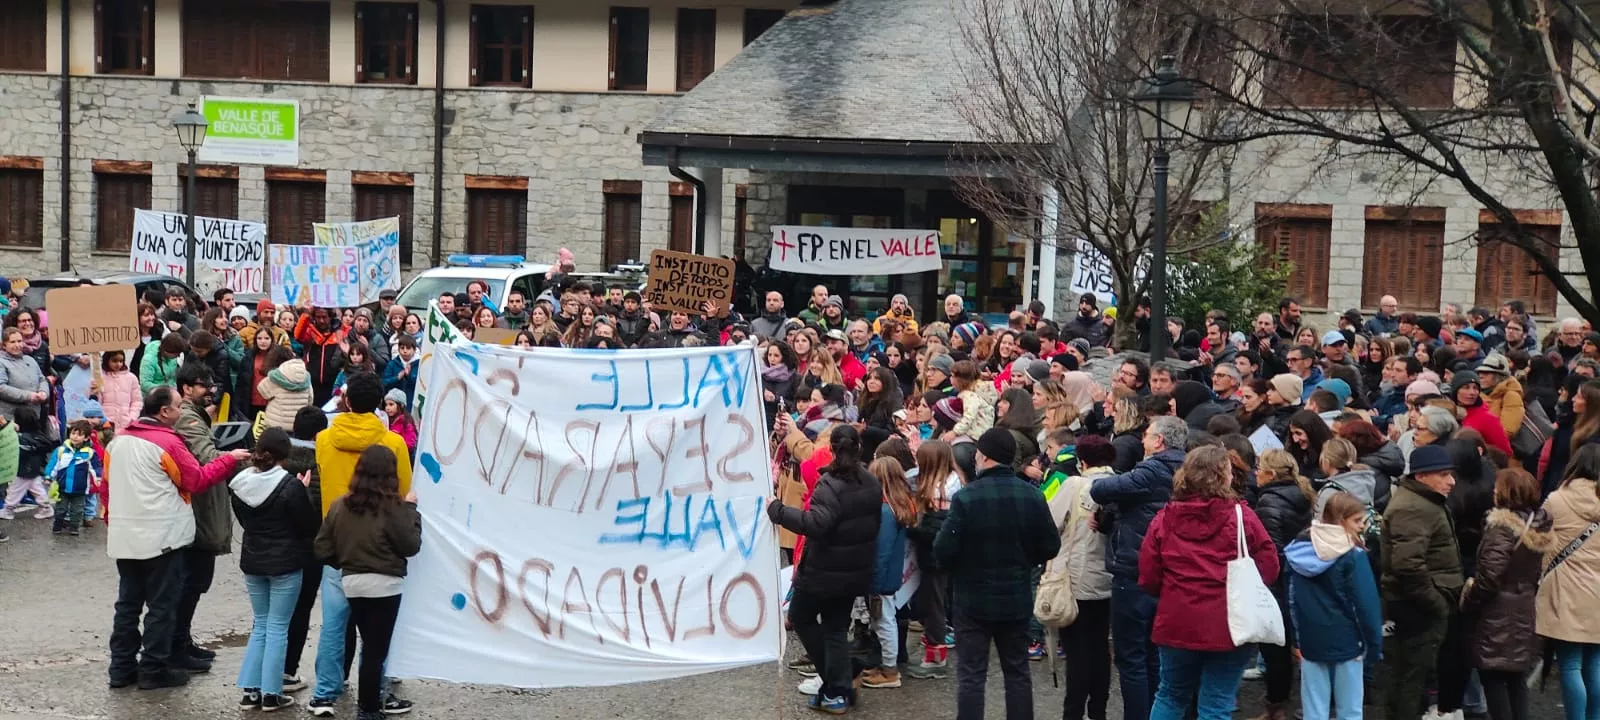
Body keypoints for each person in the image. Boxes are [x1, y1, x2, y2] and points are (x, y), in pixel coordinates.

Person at [106, 386, 246, 689]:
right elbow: (196, 479)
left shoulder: (118, 441)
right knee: (161, 606)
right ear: (164, 411)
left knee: (128, 605)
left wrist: (113, 521)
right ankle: (153, 669)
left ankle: (121, 668)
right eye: (178, 406)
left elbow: (106, 488)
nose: (181, 411)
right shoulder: (168, 442)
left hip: (124, 536)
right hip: (162, 537)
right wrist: (230, 459)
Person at [1138, 445, 1279, 720]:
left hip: (1177, 618)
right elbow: (1269, 566)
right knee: (1217, 702)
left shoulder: (1165, 518)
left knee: (1170, 694)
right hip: (1230, 622)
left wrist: (1170, 592)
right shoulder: (1242, 517)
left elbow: (1148, 574)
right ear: (1223, 476)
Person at [934, 427, 1060, 720]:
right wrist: (1025, 561)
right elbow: (1050, 545)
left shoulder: (967, 498)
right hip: (1016, 596)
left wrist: (960, 567)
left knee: (971, 674)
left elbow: (943, 549)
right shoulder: (1032, 495)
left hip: (972, 598)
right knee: (1017, 671)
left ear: (985, 456)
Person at [308, 372, 413, 717]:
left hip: (338, 538)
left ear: (346, 400)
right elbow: (403, 494)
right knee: (377, 634)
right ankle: (376, 695)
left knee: (333, 624)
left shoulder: (325, 439)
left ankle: (324, 693)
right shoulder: (393, 442)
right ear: (380, 403)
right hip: (381, 544)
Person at [767, 425, 882, 714]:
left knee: (800, 617)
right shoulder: (871, 482)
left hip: (822, 572)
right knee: (835, 628)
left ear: (831, 449)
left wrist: (778, 511)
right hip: (854, 570)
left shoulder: (829, 484)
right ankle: (840, 686)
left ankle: (837, 681)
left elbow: (816, 524)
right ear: (859, 448)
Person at [1091, 415, 1187, 720]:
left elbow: (1101, 489)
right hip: (1169, 570)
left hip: (1135, 568)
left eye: (1147, 435)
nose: (1142, 440)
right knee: (1154, 654)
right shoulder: (1189, 469)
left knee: (1131, 656)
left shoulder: (1151, 469)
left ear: (1159, 441)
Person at [314, 445, 421, 720]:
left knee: (365, 644)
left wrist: (346, 561)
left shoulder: (340, 505)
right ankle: (369, 709)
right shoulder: (393, 507)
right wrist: (412, 510)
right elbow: (410, 545)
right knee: (375, 650)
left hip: (352, 582)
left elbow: (322, 548)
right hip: (386, 585)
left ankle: (362, 705)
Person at [229, 427, 319, 711]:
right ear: (285, 454)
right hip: (285, 563)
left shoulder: (239, 483)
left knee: (261, 624)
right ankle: (271, 692)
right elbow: (307, 526)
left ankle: (251, 690)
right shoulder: (290, 485)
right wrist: (304, 492)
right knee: (278, 626)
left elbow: (245, 521)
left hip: (253, 559)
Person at [1461, 468, 1554, 720]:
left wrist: (1469, 598)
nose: (1493, 490)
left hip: (1497, 611)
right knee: (1516, 676)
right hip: (1524, 605)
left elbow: (1489, 576)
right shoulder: (1539, 523)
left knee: (1492, 675)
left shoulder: (1501, 528)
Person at [1380, 444, 1465, 720]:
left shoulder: (1423, 501)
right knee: (1412, 678)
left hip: (1417, 602)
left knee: (1411, 674)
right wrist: (1437, 603)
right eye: (1443, 475)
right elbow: (1408, 565)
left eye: (1450, 474)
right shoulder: (1414, 507)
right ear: (1421, 476)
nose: (1451, 482)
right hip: (1418, 606)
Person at [1285, 492, 1385, 720]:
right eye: (1357, 520)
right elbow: (1366, 606)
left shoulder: (1297, 551)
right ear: (1341, 520)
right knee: (1350, 709)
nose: (1362, 526)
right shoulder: (1353, 556)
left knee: (1314, 709)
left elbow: (1292, 599)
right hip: (1348, 641)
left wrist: (1297, 639)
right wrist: (1373, 645)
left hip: (1310, 640)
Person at [1045, 434, 1115, 720]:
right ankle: (1098, 710)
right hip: (1108, 579)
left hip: (1076, 577)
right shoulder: (1120, 484)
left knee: (1076, 651)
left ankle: (1072, 713)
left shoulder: (1075, 485)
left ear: (1082, 461)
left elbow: (1050, 522)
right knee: (1100, 646)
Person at [1536, 443, 1600, 720]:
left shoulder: (1557, 500)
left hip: (1566, 589)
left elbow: (1537, 538)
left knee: (1570, 663)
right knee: (1595, 662)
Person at [1250, 449, 1315, 720]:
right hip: (1298, 578)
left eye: (1259, 469)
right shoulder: (1302, 495)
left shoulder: (1268, 502)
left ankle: (1274, 708)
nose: (1255, 473)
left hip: (1276, 584)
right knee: (1289, 645)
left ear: (1270, 474)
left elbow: (1271, 550)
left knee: (1274, 649)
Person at [905, 440, 963, 679]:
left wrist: (911, 529)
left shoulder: (941, 492)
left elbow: (932, 530)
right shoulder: (955, 482)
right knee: (937, 600)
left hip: (934, 558)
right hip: (943, 557)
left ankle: (936, 658)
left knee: (933, 604)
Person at [860, 456, 918, 690]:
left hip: (881, 580)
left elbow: (880, 552)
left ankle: (889, 670)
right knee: (884, 621)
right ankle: (886, 665)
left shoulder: (885, 512)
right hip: (890, 577)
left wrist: (873, 582)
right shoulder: (898, 507)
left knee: (884, 623)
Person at [45, 419, 101, 536]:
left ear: (86, 438)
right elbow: (53, 464)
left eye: (79, 435)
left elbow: (95, 467)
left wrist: (98, 479)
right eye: (73, 433)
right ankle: (57, 525)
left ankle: (74, 527)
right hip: (62, 487)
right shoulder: (61, 450)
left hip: (80, 488)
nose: (75, 437)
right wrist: (48, 476)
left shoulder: (89, 453)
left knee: (78, 510)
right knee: (60, 509)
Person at [258, 346, 312, 431]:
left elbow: (262, 390)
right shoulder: (306, 375)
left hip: (276, 424)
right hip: (299, 423)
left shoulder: (275, 376)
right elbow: (310, 399)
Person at [382, 390, 417, 456]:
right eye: (386, 405)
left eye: (391, 404)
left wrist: (396, 446)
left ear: (401, 405)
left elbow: (410, 443)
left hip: (401, 455)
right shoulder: (386, 420)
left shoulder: (406, 422)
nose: (387, 408)